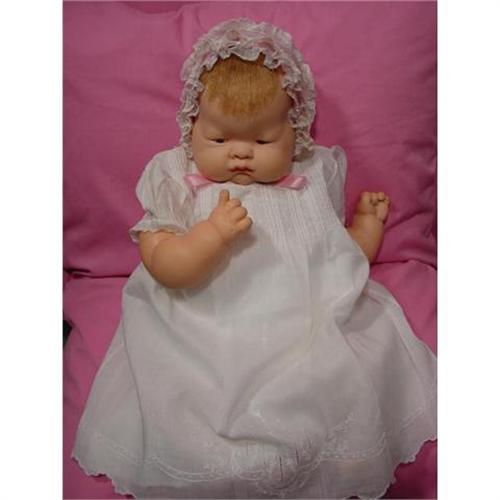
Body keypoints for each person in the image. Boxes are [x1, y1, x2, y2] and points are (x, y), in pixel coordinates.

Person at [72, 18, 437, 499]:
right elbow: (165, 266)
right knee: (188, 400)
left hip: (302, 320)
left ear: (295, 133)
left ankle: (323, 451)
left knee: (330, 382)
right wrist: (209, 236)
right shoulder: (175, 178)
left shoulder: (310, 176)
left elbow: (336, 258)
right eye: (219, 139)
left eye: (263, 141)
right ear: (191, 126)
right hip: (200, 323)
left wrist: (365, 229)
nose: (241, 154)